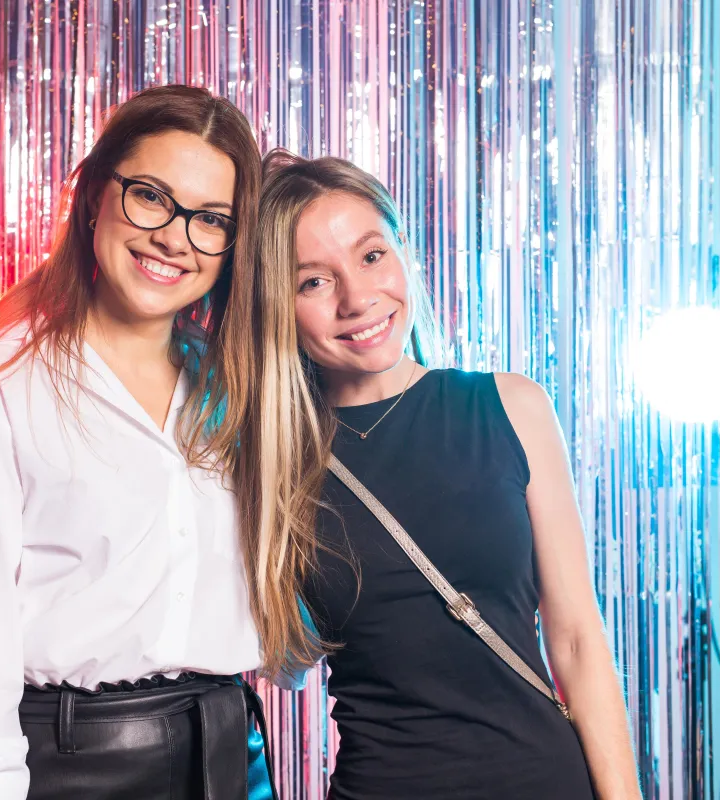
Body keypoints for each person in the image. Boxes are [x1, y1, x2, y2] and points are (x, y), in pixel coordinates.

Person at [0, 85, 288, 800]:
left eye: (211, 220)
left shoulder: (235, 392)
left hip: (234, 759)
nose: (175, 236)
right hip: (76, 771)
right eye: (150, 196)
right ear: (91, 199)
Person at [254, 151, 642, 799]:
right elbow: (284, 663)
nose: (358, 297)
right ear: (275, 306)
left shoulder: (508, 405)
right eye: (313, 282)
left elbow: (575, 638)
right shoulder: (269, 461)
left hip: (543, 781)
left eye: (372, 255)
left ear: (403, 253)